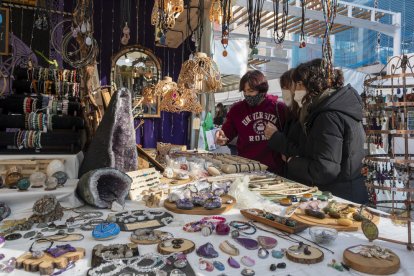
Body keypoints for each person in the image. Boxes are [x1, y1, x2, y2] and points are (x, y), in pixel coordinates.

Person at [285, 59, 368, 203]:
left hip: (339, 199)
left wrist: (293, 162)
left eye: (299, 84)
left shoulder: (328, 116)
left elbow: (325, 170)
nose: (295, 90)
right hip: (348, 193)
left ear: (313, 84)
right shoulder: (339, 108)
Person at [215, 70, 287, 174]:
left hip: (274, 169)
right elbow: (226, 133)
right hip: (245, 167)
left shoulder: (278, 108)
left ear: (262, 90)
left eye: (251, 91)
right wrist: (221, 137)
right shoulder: (237, 109)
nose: (247, 95)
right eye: (244, 91)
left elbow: (289, 137)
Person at [265, 69, 302, 161]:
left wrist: (275, 136)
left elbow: (301, 150)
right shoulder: (291, 113)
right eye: (283, 88)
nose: (284, 92)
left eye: (287, 88)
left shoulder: (305, 115)